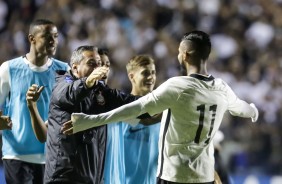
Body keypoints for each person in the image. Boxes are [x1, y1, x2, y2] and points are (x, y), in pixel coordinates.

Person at [63, 31, 259, 184]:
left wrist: (88, 121)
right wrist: (253, 111)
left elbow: (136, 107)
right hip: (204, 175)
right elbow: (242, 108)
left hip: (174, 175)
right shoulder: (222, 88)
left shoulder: (178, 87)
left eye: (179, 51)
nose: (177, 54)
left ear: (186, 55)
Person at [27, 45, 144, 184]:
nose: (98, 68)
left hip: (90, 178)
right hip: (63, 178)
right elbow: (69, 94)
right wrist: (87, 82)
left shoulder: (100, 92)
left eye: (100, 64)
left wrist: (160, 101)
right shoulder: (62, 84)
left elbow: (131, 103)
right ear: (75, 68)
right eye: (91, 64)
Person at [0, 19, 69, 184]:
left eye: (56, 36)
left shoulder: (64, 70)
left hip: (52, 156)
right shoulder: (9, 69)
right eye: (47, 36)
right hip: (16, 155)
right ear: (32, 39)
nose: (53, 41)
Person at [104, 55, 160, 184]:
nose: (151, 77)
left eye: (153, 73)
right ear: (131, 76)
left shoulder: (160, 113)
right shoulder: (121, 111)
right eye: (145, 73)